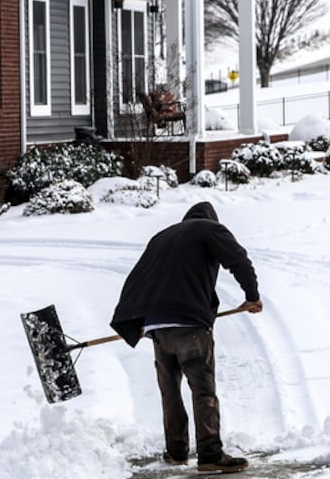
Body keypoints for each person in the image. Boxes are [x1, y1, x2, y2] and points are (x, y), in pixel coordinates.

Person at [111, 201, 263, 474]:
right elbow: (238, 259)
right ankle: (210, 455)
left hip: (157, 326)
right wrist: (252, 296)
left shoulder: (162, 237)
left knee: (170, 391)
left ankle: (176, 452)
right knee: (202, 389)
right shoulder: (210, 229)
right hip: (190, 325)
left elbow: (137, 277)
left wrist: (137, 321)